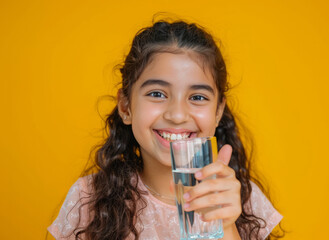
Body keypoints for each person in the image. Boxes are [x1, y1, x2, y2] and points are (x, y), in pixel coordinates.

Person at [48, 18, 284, 240]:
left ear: (217, 112)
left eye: (198, 97)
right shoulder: (89, 198)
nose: (177, 115)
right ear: (126, 106)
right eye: (157, 94)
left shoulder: (242, 198)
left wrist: (226, 227)